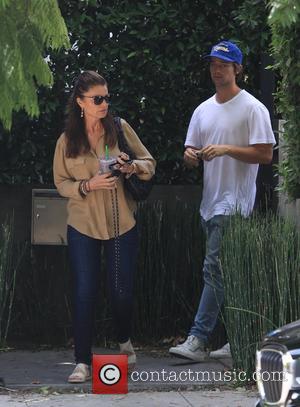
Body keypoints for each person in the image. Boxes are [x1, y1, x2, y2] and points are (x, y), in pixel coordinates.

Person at [169, 41, 276, 361]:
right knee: (226, 275)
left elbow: (266, 154)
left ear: (237, 69)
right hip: (209, 203)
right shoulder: (202, 110)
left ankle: (199, 339)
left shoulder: (253, 108)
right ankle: (239, 338)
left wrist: (228, 148)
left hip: (235, 204)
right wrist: (190, 155)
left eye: (224, 65)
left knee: (213, 270)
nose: (217, 70)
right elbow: (191, 156)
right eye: (213, 64)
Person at [53, 70, 156, 382]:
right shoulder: (67, 140)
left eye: (106, 98)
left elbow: (149, 164)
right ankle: (82, 361)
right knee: (85, 291)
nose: (104, 104)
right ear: (81, 102)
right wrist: (88, 185)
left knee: (120, 292)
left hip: (120, 223)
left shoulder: (119, 128)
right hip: (83, 225)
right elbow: (60, 182)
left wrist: (131, 166)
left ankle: (124, 340)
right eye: (98, 99)